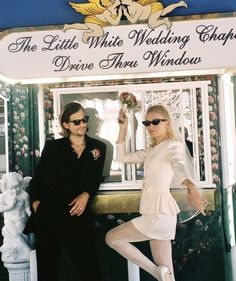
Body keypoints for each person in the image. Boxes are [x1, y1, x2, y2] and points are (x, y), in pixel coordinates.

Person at [105, 104, 206, 281]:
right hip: (155, 212)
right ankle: (159, 273)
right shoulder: (151, 150)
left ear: (167, 123)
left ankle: (154, 271)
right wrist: (123, 128)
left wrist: (190, 186)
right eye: (147, 123)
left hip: (159, 214)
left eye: (156, 122)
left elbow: (178, 166)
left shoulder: (173, 146)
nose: (151, 126)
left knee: (112, 238)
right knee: (167, 275)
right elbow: (122, 158)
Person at [23, 102, 106, 281]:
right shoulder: (54, 147)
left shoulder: (98, 148)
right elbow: (37, 181)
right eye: (77, 122)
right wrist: (37, 204)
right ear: (66, 125)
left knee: (90, 268)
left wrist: (86, 194)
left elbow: (94, 178)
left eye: (84, 119)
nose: (82, 124)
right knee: (48, 268)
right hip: (49, 213)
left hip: (77, 214)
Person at [0, 172, 32, 262]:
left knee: (21, 228)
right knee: (15, 234)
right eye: (12, 188)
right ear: (6, 186)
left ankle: (27, 250)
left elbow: (27, 208)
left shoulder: (24, 195)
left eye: (17, 186)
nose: (15, 190)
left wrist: (32, 216)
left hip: (21, 218)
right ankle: (28, 252)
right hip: (9, 220)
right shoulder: (4, 196)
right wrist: (9, 206)